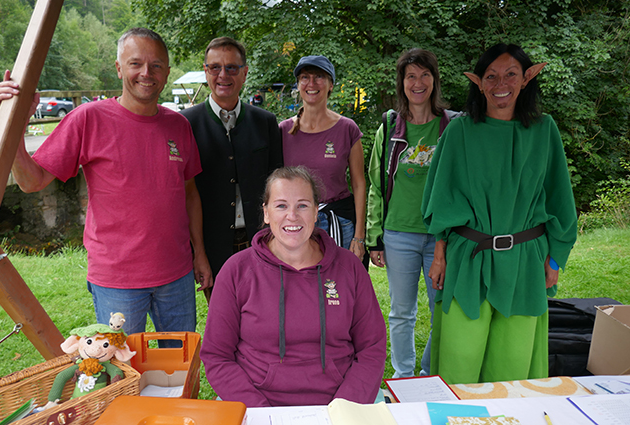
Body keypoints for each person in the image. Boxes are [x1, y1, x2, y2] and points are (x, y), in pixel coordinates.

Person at [0, 28, 211, 338]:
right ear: (119, 67)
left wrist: (199, 253)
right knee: (121, 370)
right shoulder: (88, 119)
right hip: (117, 280)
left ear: (166, 71)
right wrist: (15, 125)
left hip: (176, 275)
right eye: (136, 63)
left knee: (179, 367)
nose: (146, 73)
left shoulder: (179, 125)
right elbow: (32, 181)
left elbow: (190, 195)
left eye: (156, 65)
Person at [421, 43, 578, 384]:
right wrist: (439, 254)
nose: (500, 83)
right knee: (458, 366)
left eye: (510, 74)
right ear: (478, 82)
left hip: (525, 261)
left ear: (526, 79)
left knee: (513, 370)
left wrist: (555, 260)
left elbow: (560, 198)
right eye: (491, 76)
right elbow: (442, 197)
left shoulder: (544, 129)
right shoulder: (460, 131)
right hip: (468, 259)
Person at [200, 166, 386, 407]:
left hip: (339, 405)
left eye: (302, 205)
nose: (292, 216)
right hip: (257, 404)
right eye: (281, 206)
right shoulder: (237, 270)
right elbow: (217, 356)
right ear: (266, 213)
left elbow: (372, 348)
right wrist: (261, 414)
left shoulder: (348, 267)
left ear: (316, 211)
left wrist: (345, 407)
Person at [366, 48, 462, 378]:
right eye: (410, 76)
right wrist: (373, 238)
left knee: (442, 310)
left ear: (434, 80)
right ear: (402, 83)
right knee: (401, 311)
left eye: (424, 75)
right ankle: (404, 376)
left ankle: (429, 372)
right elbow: (376, 184)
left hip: (442, 237)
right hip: (399, 234)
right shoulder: (391, 126)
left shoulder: (453, 126)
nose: (417, 82)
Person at [181, 37, 282, 297]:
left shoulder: (266, 122)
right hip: (212, 247)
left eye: (232, 68)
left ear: (244, 73)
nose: (223, 75)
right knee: (223, 320)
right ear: (205, 71)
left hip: (260, 242)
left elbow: (277, 187)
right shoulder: (185, 124)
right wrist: (198, 253)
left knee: (263, 317)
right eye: (215, 67)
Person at [280, 56, 366, 261]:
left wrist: (359, 236)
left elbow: (359, 184)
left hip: (338, 223)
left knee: (338, 288)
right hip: (295, 223)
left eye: (319, 77)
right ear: (298, 85)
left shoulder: (347, 129)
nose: (311, 83)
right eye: (305, 77)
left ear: (331, 85)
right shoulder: (282, 131)